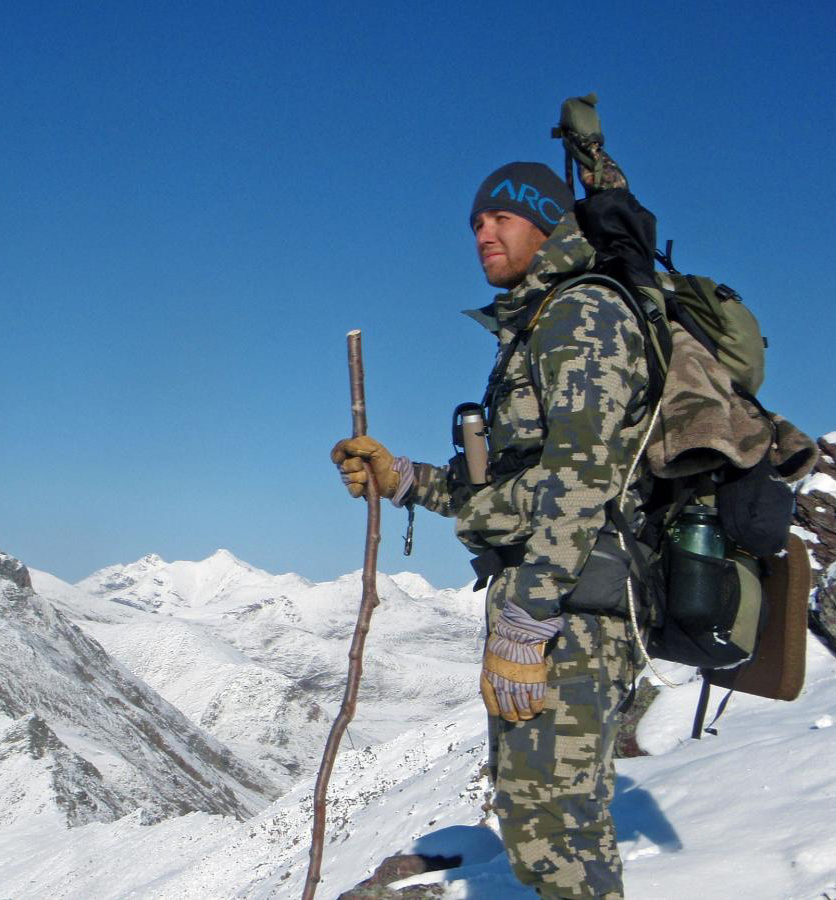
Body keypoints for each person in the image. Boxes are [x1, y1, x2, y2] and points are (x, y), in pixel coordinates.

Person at [331, 157, 649, 899]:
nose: (483, 234)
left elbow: (582, 478)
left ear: (547, 225)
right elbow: (508, 486)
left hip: (569, 610)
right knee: (541, 824)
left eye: (502, 218)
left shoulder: (583, 315)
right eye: (476, 222)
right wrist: (402, 478)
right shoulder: (535, 325)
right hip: (552, 603)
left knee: (558, 833)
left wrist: (528, 616)